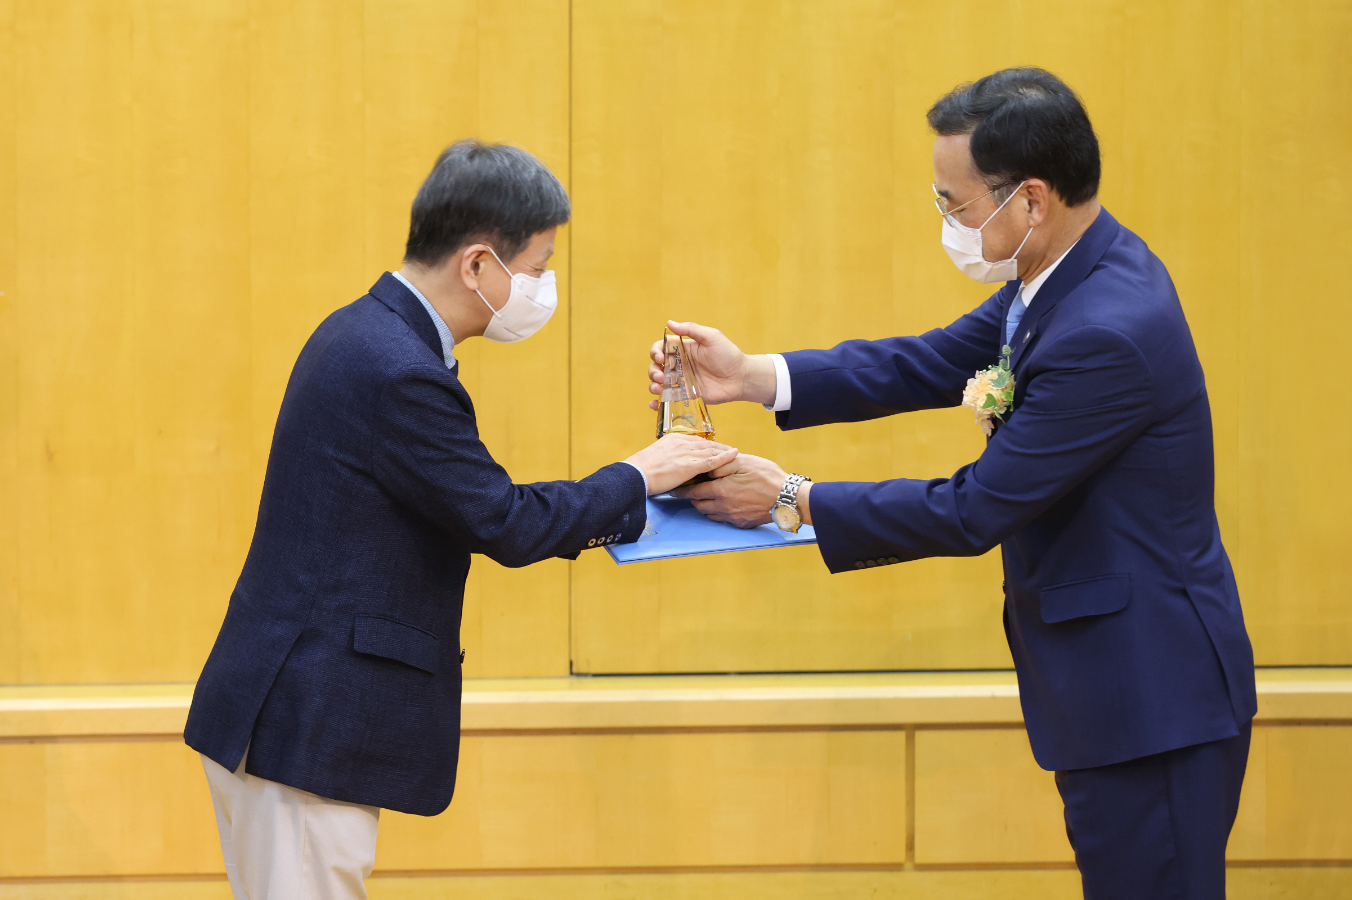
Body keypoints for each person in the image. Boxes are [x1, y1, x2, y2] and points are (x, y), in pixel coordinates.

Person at [650, 68, 1255, 900]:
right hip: (1118, 691)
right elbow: (927, 361)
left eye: (954, 203)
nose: (946, 222)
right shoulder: (1067, 273)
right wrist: (752, 376)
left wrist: (790, 498)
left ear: (1031, 200)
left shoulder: (1106, 331)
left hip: (1153, 702)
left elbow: (974, 508)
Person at [186, 140, 737, 900]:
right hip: (304, 729)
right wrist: (642, 474)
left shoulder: (366, 331)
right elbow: (505, 521)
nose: (544, 287)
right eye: (537, 268)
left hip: (284, 715)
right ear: (478, 264)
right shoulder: (399, 369)